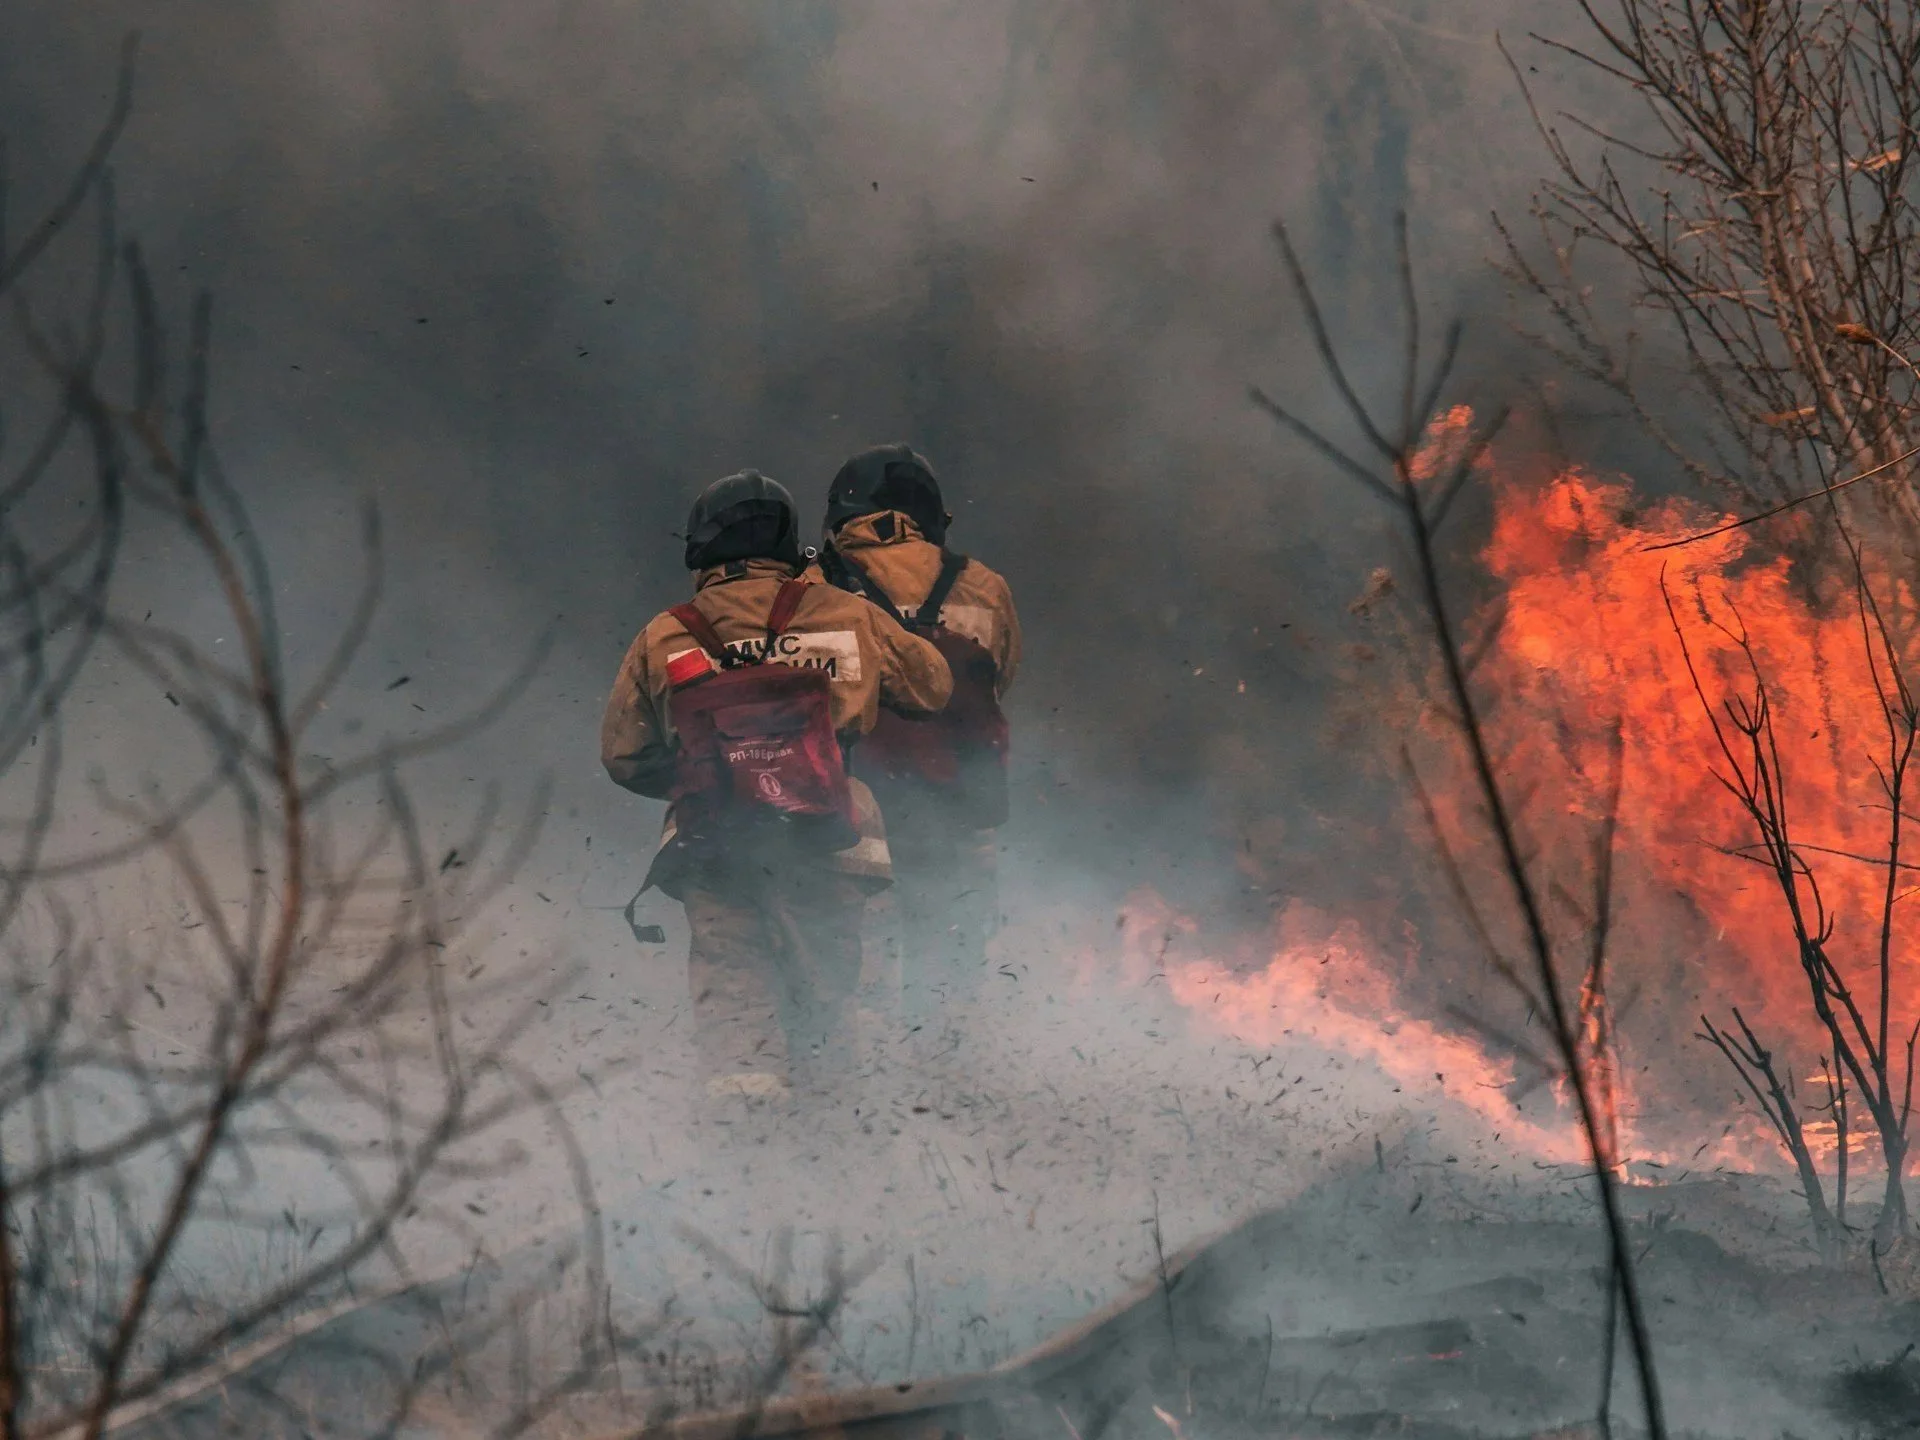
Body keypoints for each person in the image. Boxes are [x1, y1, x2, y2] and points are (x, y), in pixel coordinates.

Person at [601, 470, 951, 1103]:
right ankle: (854, 1132)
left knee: (735, 989)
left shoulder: (666, 634)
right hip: (835, 836)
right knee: (839, 991)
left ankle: (750, 1149)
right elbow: (932, 687)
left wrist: (714, 775)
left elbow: (625, 756)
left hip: (715, 843)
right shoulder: (848, 614)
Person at [812, 444, 1021, 1030]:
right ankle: (950, 1096)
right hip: (954, 801)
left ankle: (862, 1099)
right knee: (953, 959)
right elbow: (999, 677)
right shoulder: (983, 587)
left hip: (846, 806)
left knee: (856, 969)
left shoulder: (809, 587)